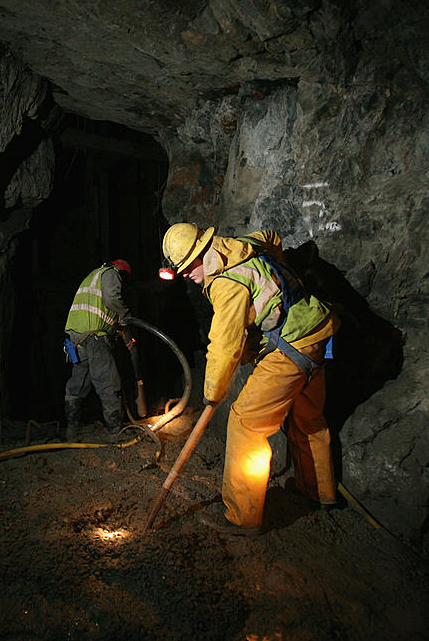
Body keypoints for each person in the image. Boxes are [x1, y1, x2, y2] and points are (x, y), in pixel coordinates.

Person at [161, 223, 340, 535]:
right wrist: (276, 281)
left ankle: (241, 516)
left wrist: (212, 393)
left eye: (187, 266)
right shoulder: (242, 245)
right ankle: (319, 491)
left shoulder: (226, 285)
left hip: (292, 344)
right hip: (318, 332)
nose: (185, 274)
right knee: (308, 416)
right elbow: (272, 237)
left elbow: (223, 345)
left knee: (246, 423)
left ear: (202, 253)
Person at [63, 259, 134, 441]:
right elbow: (112, 298)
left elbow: (102, 311)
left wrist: (123, 334)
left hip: (76, 338)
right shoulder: (112, 273)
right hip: (95, 336)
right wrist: (125, 315)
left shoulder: (93, 275)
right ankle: (114, 431)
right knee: (108, 381)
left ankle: (71, 429)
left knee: (78, 382)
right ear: (123, 273)